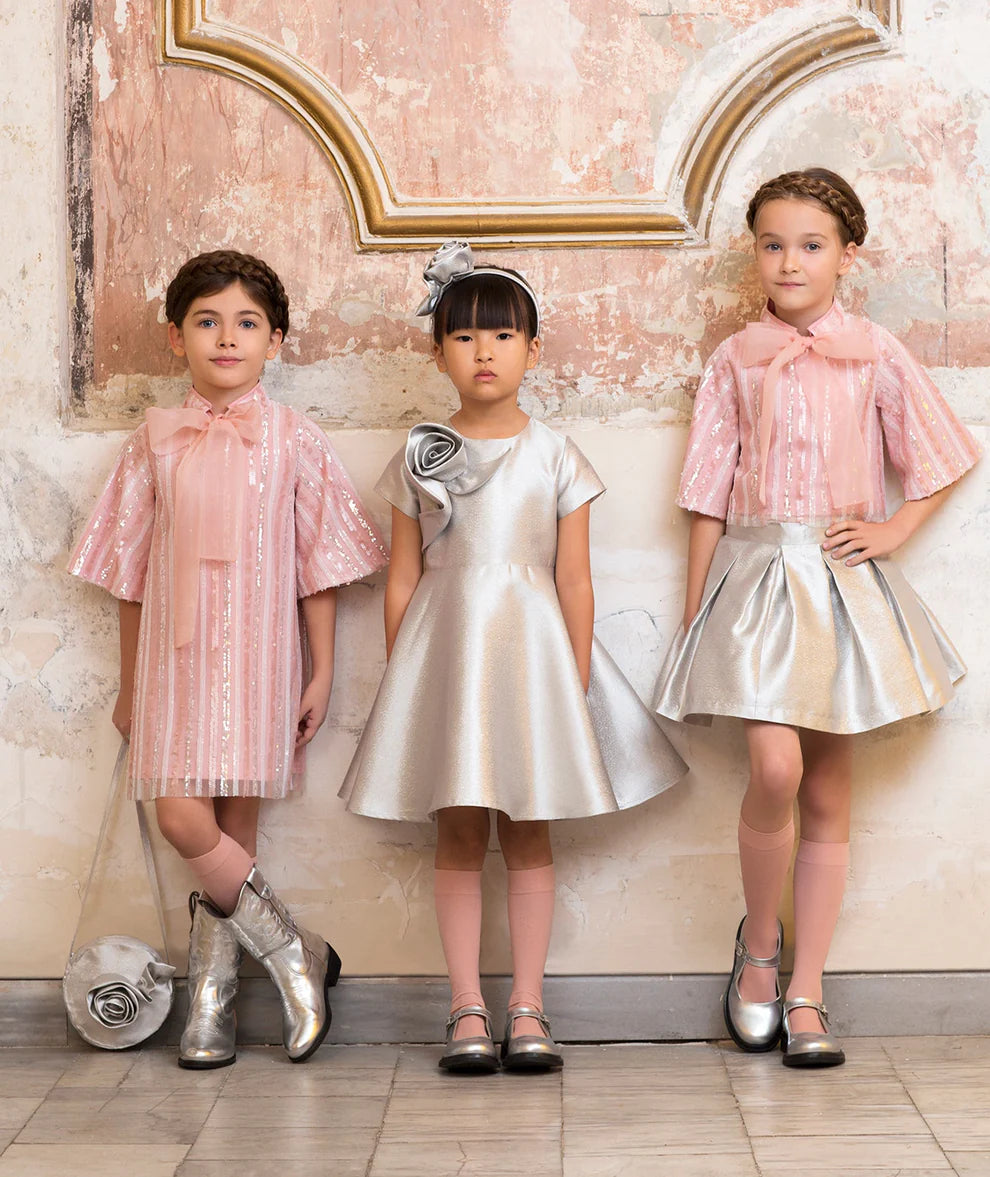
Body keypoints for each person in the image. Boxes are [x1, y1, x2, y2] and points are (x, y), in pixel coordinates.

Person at [654, 169, 980, 1067]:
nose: (790, 261)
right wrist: (695, 616)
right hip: (758, 581)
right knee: (775, 764)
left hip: (841, 584)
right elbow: (706, 496)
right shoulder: (734, 358)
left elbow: (946, 453)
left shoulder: (873, 352)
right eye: (773, 244)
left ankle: (808, 988)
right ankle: (759, 949)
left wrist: (893, 529)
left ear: (847, 257)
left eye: (810, 245)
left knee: (830, 791)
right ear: (754, 253)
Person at [339, 241, 686, 1073]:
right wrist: (406, 680)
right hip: (446, 658)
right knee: (458, 829)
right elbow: (403, 577)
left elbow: (574, 578)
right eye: (463, 337)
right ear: (438, 353)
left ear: (534, 349)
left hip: (532, 660)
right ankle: (465, 1006)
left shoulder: (556, 454)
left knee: (530, 828)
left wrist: (574, 676)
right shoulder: (420, 455)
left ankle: (528, 1005)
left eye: (502, 336)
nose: (483, 351)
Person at [69, 250, 388, 1068]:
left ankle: (212, 1004)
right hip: (174, 666)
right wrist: (132, 684)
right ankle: (296, 953)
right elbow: (129, 575)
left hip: (261, 661)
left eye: (247, 323)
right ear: (177, 337)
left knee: (236, 831)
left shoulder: (296, 439)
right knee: (182, 816)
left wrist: (321, 671)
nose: (226, 337)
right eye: (207, 321)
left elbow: (319, 567)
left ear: (274, 341)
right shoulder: (153, 441)